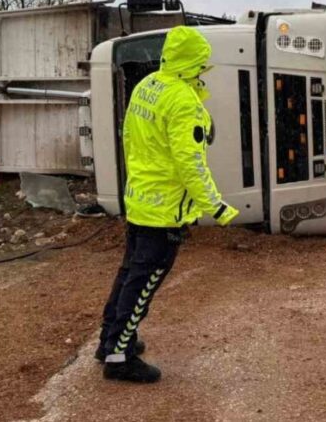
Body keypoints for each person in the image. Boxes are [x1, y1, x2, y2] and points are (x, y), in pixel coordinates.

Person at [97, 26, 239, 383]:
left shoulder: (147, 85)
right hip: (164, 211)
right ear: (191, 62)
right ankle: (119, 356)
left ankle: (110, 341)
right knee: (144, 282)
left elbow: (129, 137)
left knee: (130, 273)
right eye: (202, 64)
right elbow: (190, 164)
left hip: (141, 200)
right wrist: (217, 207)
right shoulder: (183, 102)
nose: (205, 71)